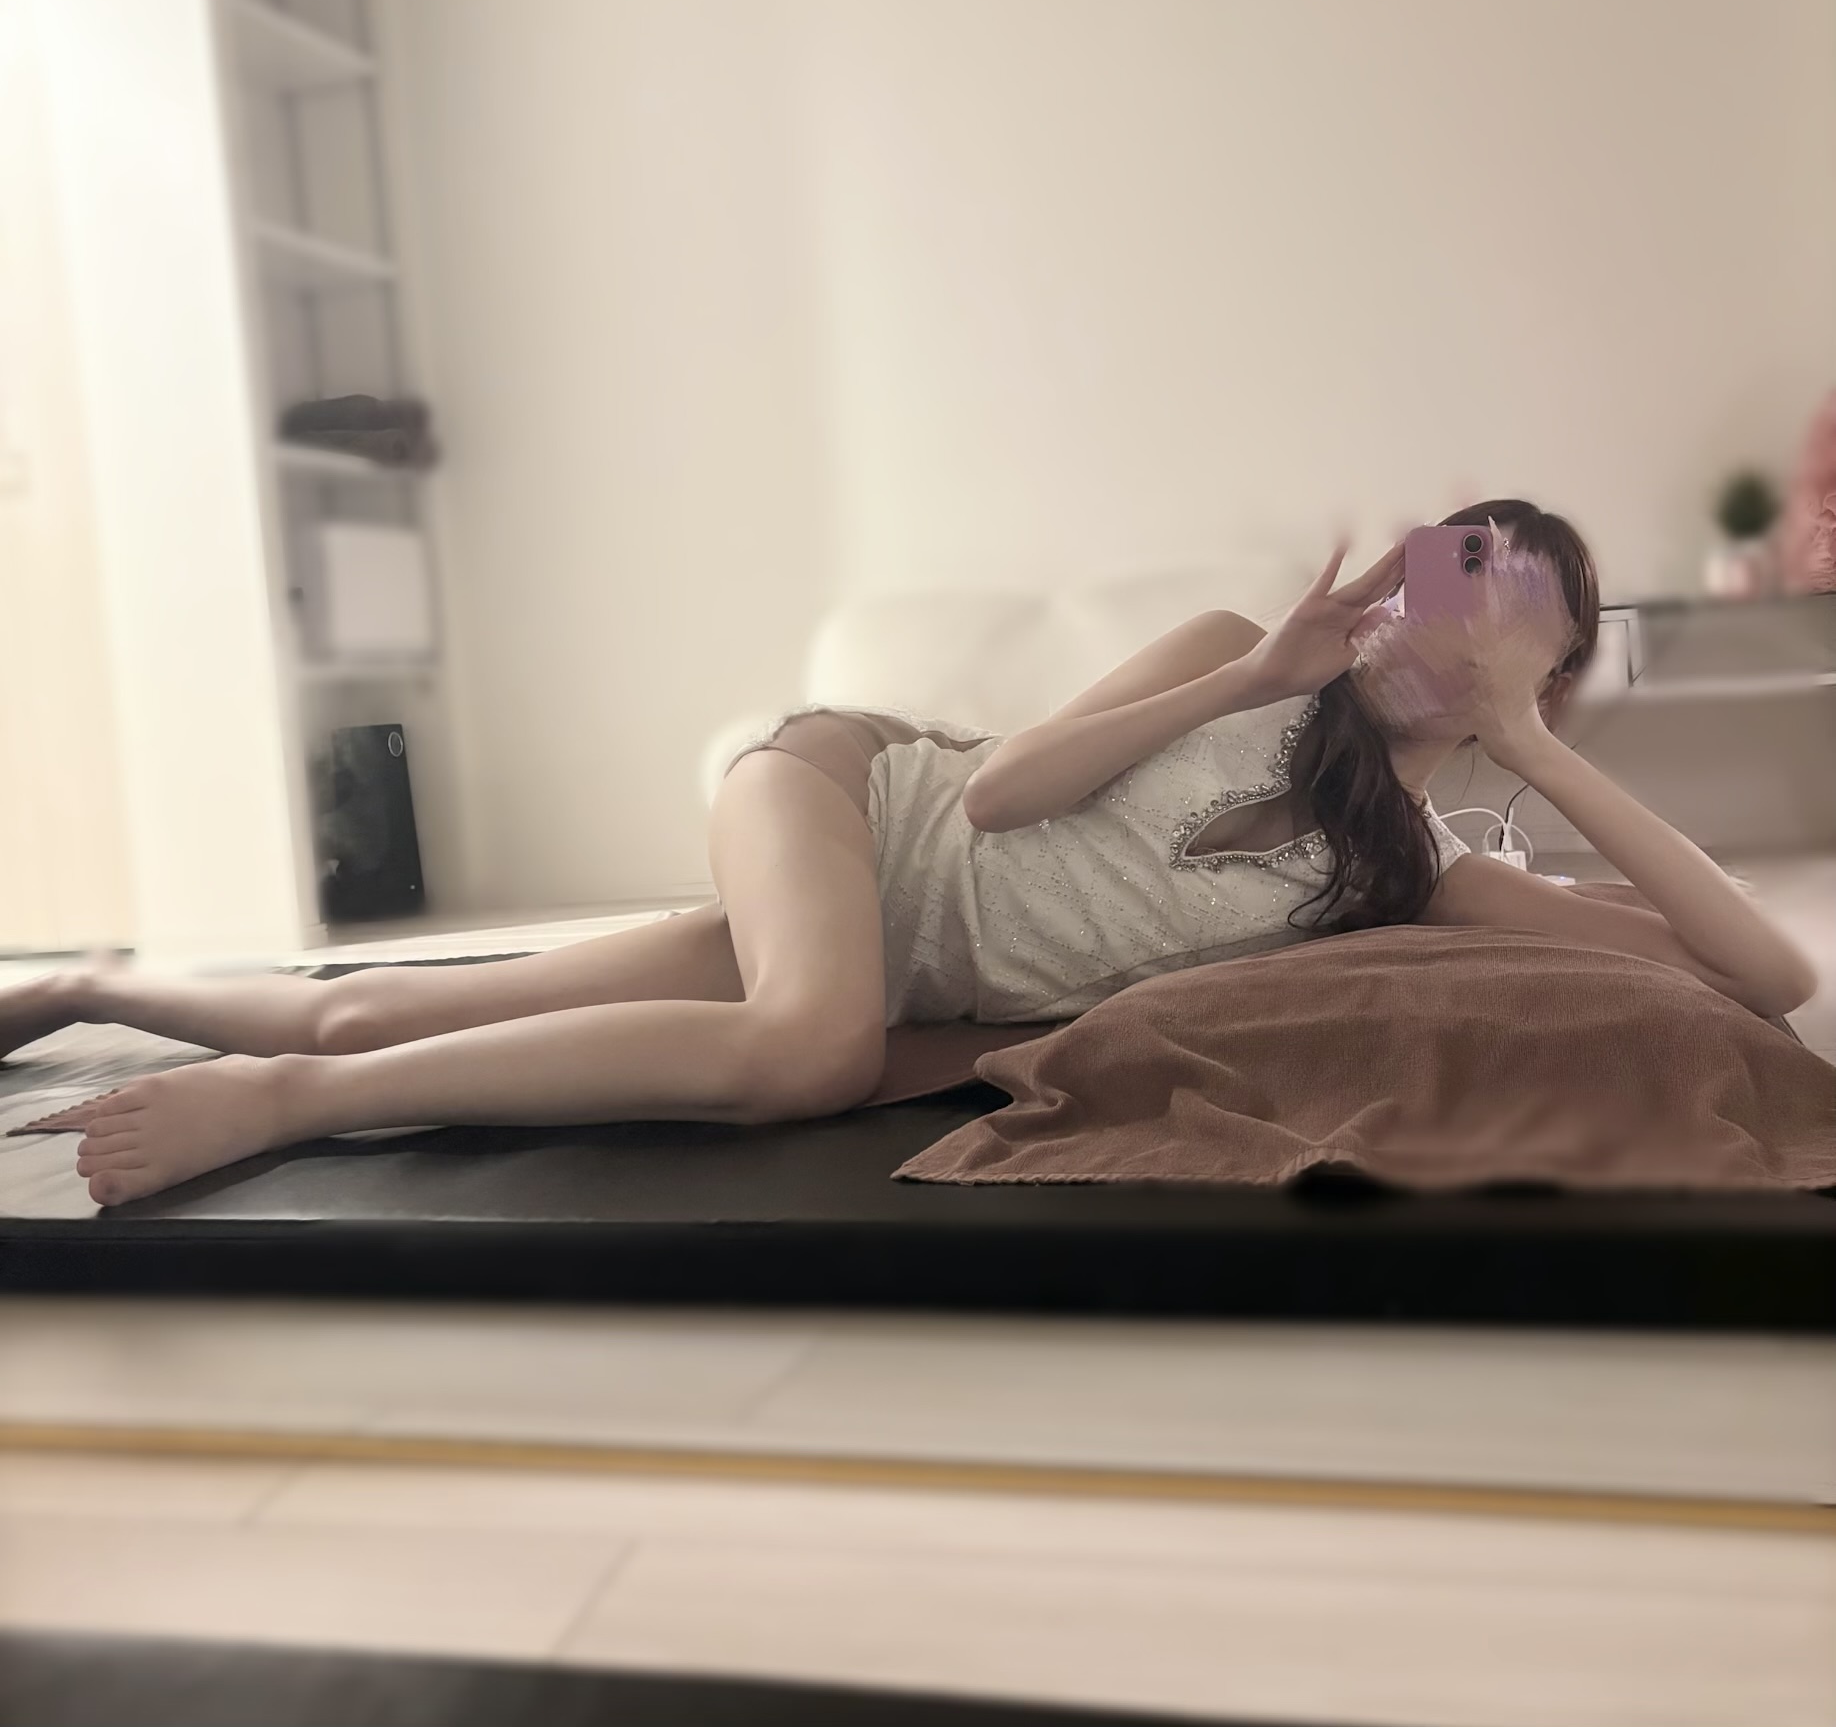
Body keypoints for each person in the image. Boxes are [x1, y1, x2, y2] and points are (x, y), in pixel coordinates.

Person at [2, 499, 1815, 1207]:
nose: (1452, 601)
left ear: (1546, 668)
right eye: (1447, 561)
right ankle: (285, 1111)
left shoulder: (1417, 871)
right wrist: (1259, 668)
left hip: (883, 953)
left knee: (378, 1008)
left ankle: (86, 979)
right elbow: (1006, 793)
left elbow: (1771, 975)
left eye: (1506, 599)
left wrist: (1527, 744)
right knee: (805, 1043)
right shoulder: (1230, 655)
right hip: (850, 800)